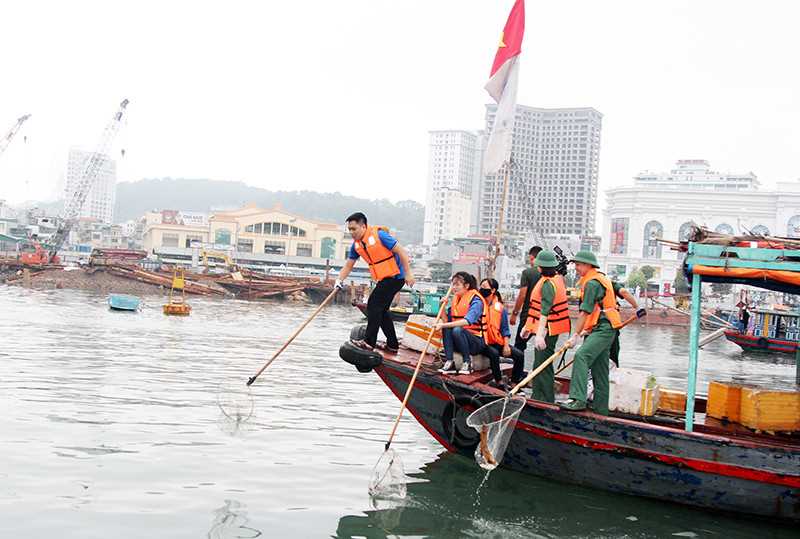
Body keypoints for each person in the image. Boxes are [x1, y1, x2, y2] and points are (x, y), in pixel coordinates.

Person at [336, 212, 414, 352]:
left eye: (354, 229)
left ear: (364, 226)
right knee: (382, 310)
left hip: (396, 277)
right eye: (349, 229)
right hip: (385, 278)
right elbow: (348, 265)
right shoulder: (356, 246)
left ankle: (369, 342)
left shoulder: (380, 235)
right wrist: (339, 280)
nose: (352, 232)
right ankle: (392, 344)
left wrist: (408, 273)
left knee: (373, 305)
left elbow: (402, 252)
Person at [560, 251, 624, 414]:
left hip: (603, 328)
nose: (577, 268)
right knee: (600, 368)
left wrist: (575, 335)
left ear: (589, 266)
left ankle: (577, 399)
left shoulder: (593, 283)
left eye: (579, 265)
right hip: (603, 328)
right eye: (576, 265)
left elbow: (585, 311)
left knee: (581, 356)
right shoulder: (597, 280)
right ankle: (601, 408)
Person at [520, 250, 571, 403]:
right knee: (541, 363)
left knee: (542, 365)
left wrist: (540, 334)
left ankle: (544, 399)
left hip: (549, 329)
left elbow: (545, 311)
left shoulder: (549, 284)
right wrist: (527, 327)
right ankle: (540, 396)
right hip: (545, 328)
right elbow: (536, 310)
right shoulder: (550, 280)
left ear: (541, 267)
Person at [434, 272, 487, 374]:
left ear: (466, 286)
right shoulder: (456, 300)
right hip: (458, 340)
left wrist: (443, 325)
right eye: (453, 284)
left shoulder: (476, 301)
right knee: (448, 328)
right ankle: (450, 362)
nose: (454, 287)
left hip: (476, 342)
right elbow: (446, 322)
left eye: (457, 285)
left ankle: (467, 363)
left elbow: (467, 321)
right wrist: (442, 307)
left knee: (457, 330)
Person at [478, 278, 525, 390]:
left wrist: (506, 345)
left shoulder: (500, 308)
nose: (482, 289)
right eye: (481, 287)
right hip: (481, 341)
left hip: (496, 341)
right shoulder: (477, 304)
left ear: (493, 290)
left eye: (485, 287)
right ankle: (499, 382)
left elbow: (505, 329)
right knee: (493, 353)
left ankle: (514, 383)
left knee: (519, 355)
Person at [510, 246, 543, 351]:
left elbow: (522, 295)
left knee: (519, 346)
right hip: (545, 316)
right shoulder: (552, 274)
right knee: (542, 347)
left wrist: (514, 314)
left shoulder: (527, 273)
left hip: (528, 315)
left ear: (532, 257)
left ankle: (517, 367)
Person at [608, 281, 646, 366]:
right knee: (612, 359)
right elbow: (623, 292)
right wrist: (637, 308)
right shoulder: (608, 283)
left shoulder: (588, 284)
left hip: (592, 328)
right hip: (609, 330)